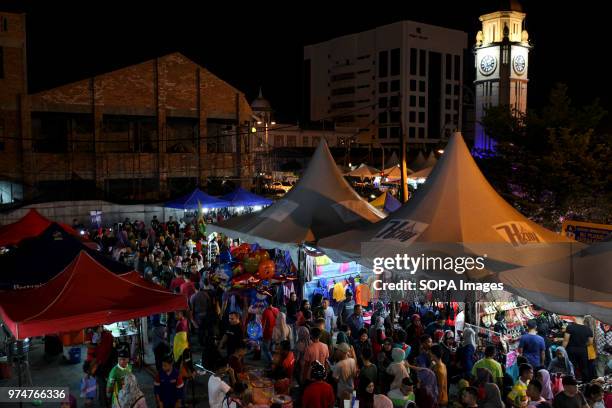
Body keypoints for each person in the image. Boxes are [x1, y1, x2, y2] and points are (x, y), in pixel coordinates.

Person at [563, 317, 593, 381]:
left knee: (571, 367)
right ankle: (585, 384)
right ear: (584, 319)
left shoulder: (570, 327)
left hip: (571, 349)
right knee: (584, 368)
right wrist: (583, 345)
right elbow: (590, 342)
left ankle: (571, 382)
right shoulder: (588, 329)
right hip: (583, 350)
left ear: (575, 318)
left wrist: (562, 349)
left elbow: (566, 340)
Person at [261, 299, 280, 363]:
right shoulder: (276, 310)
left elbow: (263, 324)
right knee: (272, 347)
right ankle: (273, 359)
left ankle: (271, 360)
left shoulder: (265, 312)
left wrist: (261, 334)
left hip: (267, 333)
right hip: (275, 332)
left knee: (265, 348)